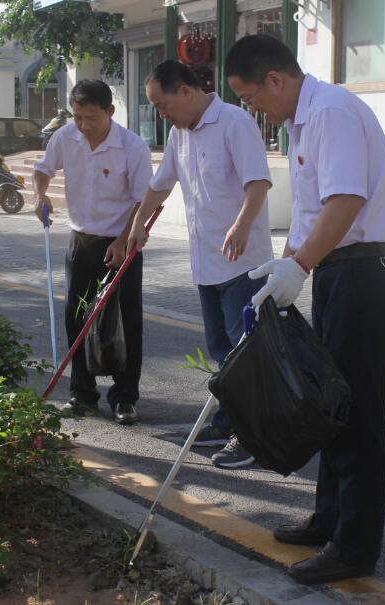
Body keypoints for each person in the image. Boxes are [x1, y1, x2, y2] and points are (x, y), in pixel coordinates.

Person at [223, 34, 385, 584]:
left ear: (276, 80)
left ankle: (354, 547)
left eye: (250, 96)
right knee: (329, 406)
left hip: (364, 277)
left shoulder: (330, 113)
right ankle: (330, 518)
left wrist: (300, 266)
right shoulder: (302, 122)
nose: (250, 108)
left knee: (358, 418)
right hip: (337, 272)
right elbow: (310, 212)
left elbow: (346, 200)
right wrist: (285, 268)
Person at [125, 60, 274, 469]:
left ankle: (252, 435)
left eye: (162, 104)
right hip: (206, 262)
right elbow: (159, 186)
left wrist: (243, 225)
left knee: (246, 354)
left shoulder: (234, 123)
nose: (161, 113)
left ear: (187, 92)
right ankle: (228, 422)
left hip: (243, 263)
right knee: (221, 351)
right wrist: (137, 226)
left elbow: (257, 182)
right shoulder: (179, 134)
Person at [34, 79, 152, 425]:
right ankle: (82, 393)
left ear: (110, 112)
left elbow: (143, 199)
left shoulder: (132, 147)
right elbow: (42, 170)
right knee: (77, 316)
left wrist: (123, 238)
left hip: (123, 242)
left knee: (127, 321)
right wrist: (41, 195)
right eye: (77, 117)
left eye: (91, 118)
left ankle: (125, 396)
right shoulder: (65, 137)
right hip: (81, 240)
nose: (84, 125)